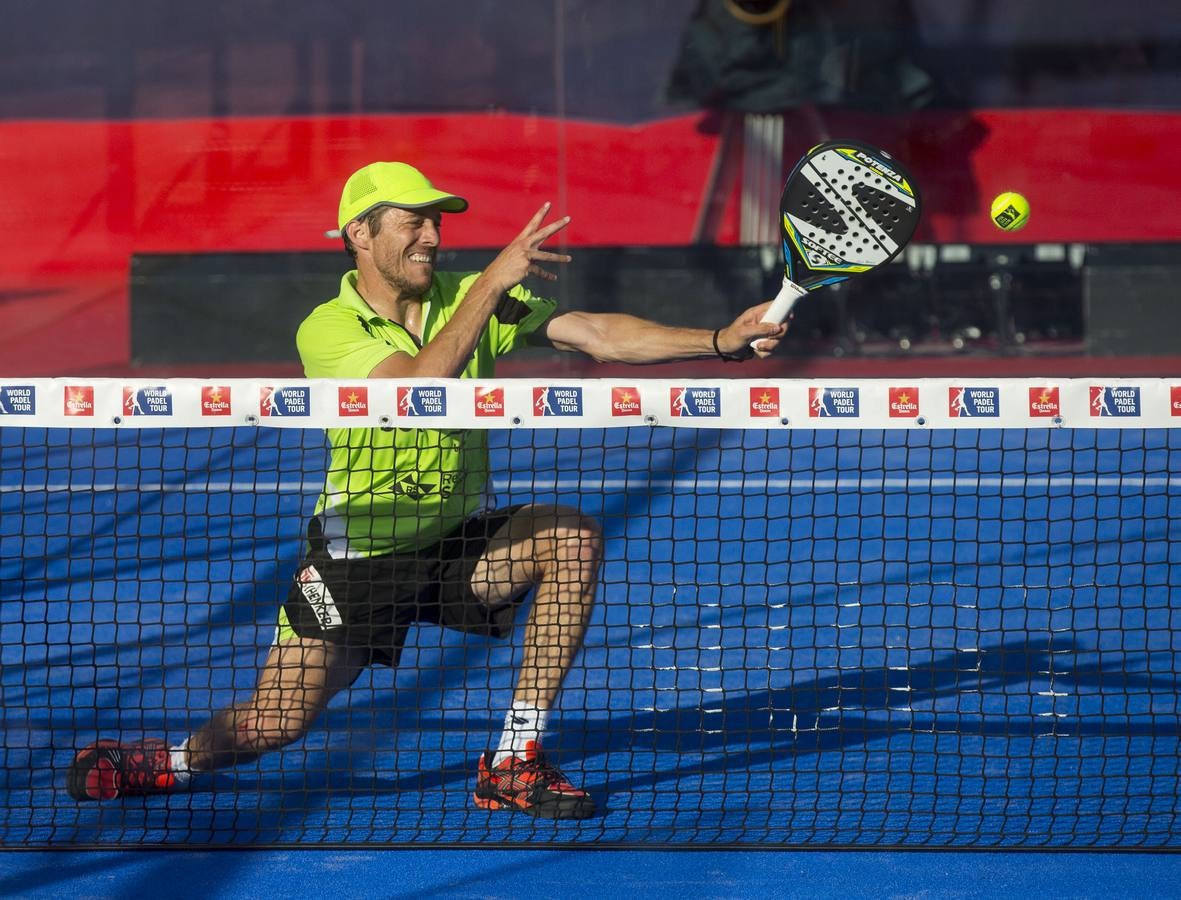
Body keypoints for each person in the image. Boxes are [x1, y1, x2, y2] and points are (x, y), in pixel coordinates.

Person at [66, 161, 787, 819]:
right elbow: (416, 385)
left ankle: (513, 759)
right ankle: (175, 764)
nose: (433, 235)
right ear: (359, 233)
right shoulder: (330, 327)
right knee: (274, 722)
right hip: (356, 562)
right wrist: (491, 285)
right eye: (413, 221)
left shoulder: (463, 298)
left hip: (453, 545)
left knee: (570, 538)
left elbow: (596, 334)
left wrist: (719, 338)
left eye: (437, 221)